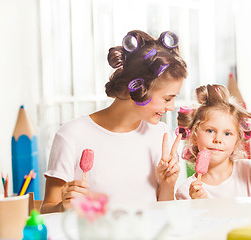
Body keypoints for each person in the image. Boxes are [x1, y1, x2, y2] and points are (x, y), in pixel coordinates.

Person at [40, 30, 187, 213]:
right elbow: (46, 209)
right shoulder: (72, 135)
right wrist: (63, 206)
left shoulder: (161, 135)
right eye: (167, 99)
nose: (171, 107)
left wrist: (167, 185)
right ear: (139, 89)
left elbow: (164, 215)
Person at [175, 84, 251, 199]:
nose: (218, 139)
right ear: (194, 137)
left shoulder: (250, 170)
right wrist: (199, 204)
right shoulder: (185, 191)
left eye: (227, 133)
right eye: (210, 131)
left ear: (236, 141)